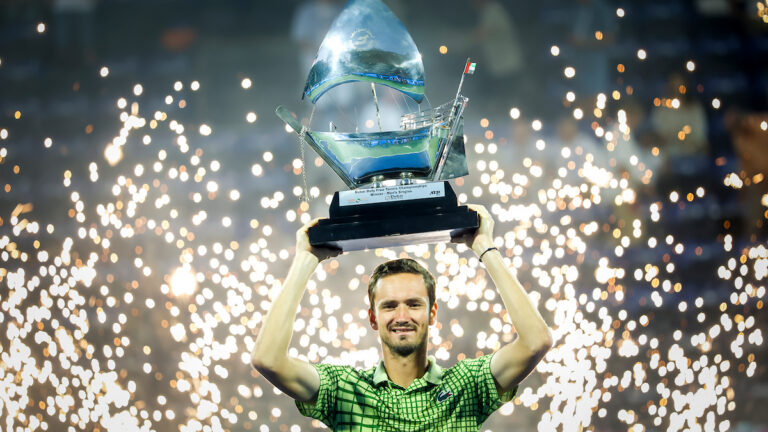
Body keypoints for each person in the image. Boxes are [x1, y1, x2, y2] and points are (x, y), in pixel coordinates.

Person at [251, 204, 553, 431]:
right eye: (389, 306)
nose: (402, 315)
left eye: (413, 303)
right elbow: (268, 360)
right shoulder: (344, 390)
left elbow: (535, 342)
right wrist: (305, 259)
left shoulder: (467, 386)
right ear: (373, 318)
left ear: (432, 313)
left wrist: (484, 246)